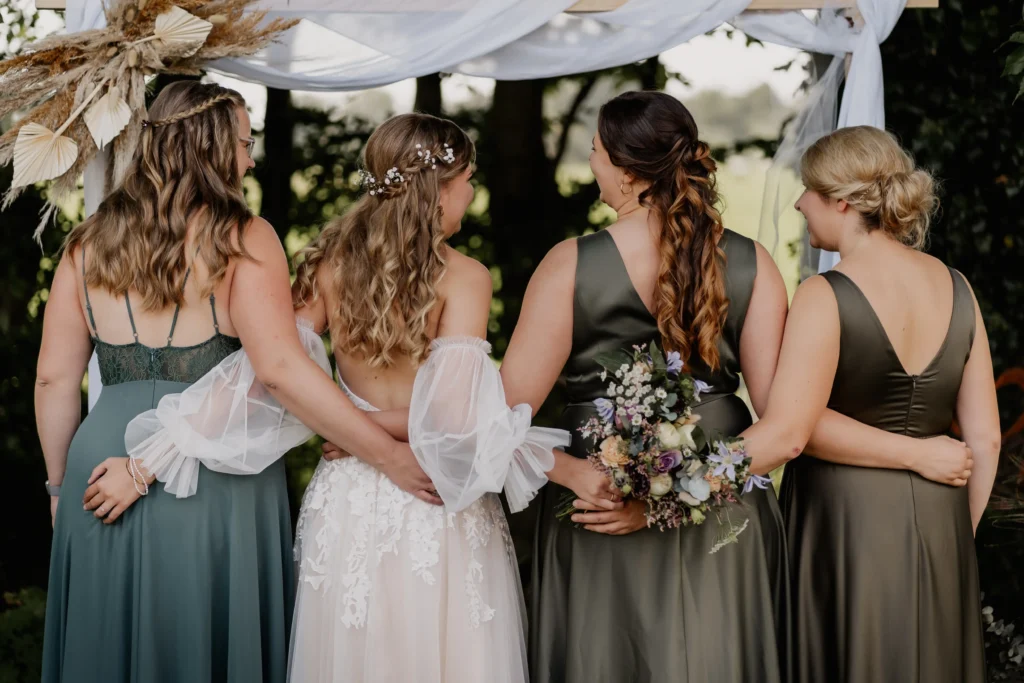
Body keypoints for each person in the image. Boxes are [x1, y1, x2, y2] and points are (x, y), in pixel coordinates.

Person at [36, 81, 436, 683]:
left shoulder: (86, 244)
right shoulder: (244, 238)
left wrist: (60, 489)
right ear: (211, 147)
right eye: (245, 144)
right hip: (213, 473)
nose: (251, 159)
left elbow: (53, 380)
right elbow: (278, 370)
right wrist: (385, 455)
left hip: (97, 472)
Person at [497, 90, 793, 683]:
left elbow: (497, 416)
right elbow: (780, 428)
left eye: (596, 153)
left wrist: (575, 474)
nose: (592, 168)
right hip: (721, 507)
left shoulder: (568, 265)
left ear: (629, 172)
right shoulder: (753, 262)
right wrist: (680, 494)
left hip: (596, 505)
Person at [287, 112, 567, 683]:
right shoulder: (464, 276)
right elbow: (455, 415)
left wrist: (347, 428)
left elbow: (285, 371)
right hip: (434, 487)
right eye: (467, 177)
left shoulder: (327, 263)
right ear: (438, 190)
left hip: (351, 487)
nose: (472, 190)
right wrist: (372, 430)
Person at [738, 125, 999, 682]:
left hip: (844, 521)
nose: (798, 201)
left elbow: (792, 431)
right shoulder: (958, 286)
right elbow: (986, 439)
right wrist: (957, 532)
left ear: (842, 201)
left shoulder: (824, 294)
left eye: (809, 189)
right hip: (942, 517)